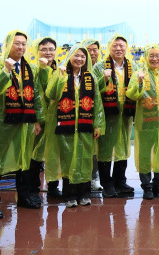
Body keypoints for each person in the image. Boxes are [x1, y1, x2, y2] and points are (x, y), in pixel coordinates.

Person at [0, 30, 44, 219]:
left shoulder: (30, 68)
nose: (21, 47)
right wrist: (6, 71)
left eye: (24, 44)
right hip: (3, 121)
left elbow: (36, 94)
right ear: (8, 44)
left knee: (23, 159)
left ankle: (24, 197)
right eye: (17, 43)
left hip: (25, 122)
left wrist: (37, 120)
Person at [44, 45, 105, 207]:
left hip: (85, 126)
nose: (79, 59)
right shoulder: (61, 74)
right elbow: (51, 95)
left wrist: (98, 124)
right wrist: (60, 77)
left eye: (83, 57)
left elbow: (97, 102)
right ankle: (70, 195)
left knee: (85, 160)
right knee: (68, 159)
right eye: (76, 55)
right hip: (66, 125)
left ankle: (84, 194)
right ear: (70, 57)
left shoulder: (90, 77)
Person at [92, 34, 136, 198]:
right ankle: (107, 183)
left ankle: (120, 180)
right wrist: (103, 79)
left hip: (125, 114)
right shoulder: (100, 66)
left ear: (126, 48)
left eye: (121, 46)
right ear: (109, 47)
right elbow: (94, 90)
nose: (118, 48)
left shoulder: (132, 66)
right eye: (115, 45)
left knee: (123, 146)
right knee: (105, 148)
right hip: (107, 113)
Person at [126, 43, 159, 200]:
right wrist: (138, 82)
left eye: (157, 55)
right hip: (145, 123)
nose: (155, 58)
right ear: (146, 57)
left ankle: (158, 184)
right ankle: (146, 186)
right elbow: (131, 94)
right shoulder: (139, 73)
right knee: (144, 155)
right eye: (151, 55)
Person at [28, 37, 62, 203]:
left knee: (54, 155)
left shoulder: (60, 70)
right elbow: (35, 95)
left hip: (57, 119)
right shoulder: (33, 70)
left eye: (51, 49)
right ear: (37, 51)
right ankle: (33, 189)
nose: (48, 52)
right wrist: (35, 119)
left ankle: (53, 187)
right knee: (35, 156)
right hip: (39, 121)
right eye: (44, 49)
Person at [82, 38, 103, 192]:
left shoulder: (103, 67)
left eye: (94, 49)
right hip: (83, 114)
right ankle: (83, 179)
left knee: (98, 151)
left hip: (101, 113)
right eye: (88, 50)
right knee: (85, 149)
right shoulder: (78, 68)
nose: (92, 53)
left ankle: (95, 178)